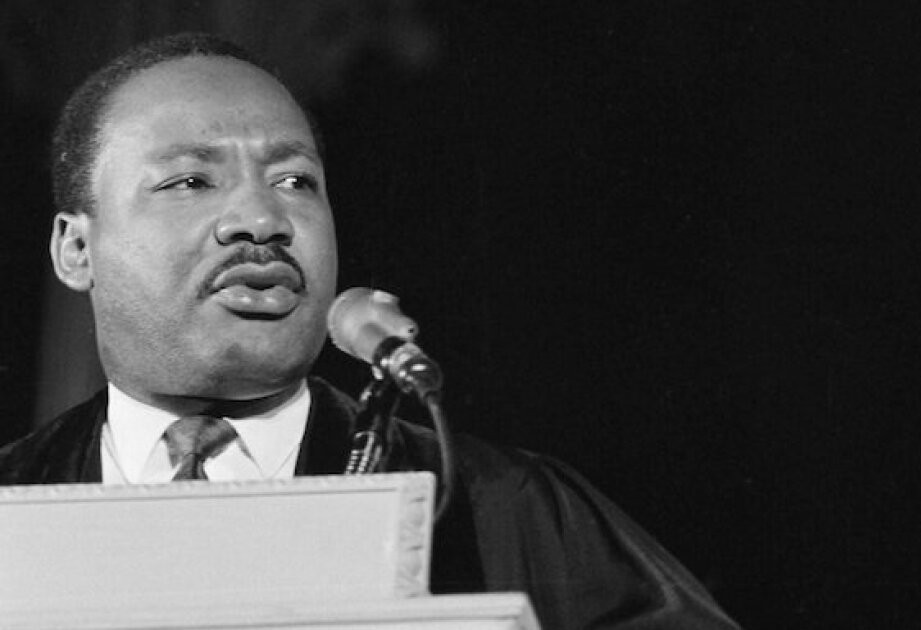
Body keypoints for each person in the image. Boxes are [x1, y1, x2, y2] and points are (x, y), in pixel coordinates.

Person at [0, 32, 740, 630]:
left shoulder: (500, 510)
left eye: (296, 181)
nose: (262, 220)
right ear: (77, 248)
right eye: (190, 181)